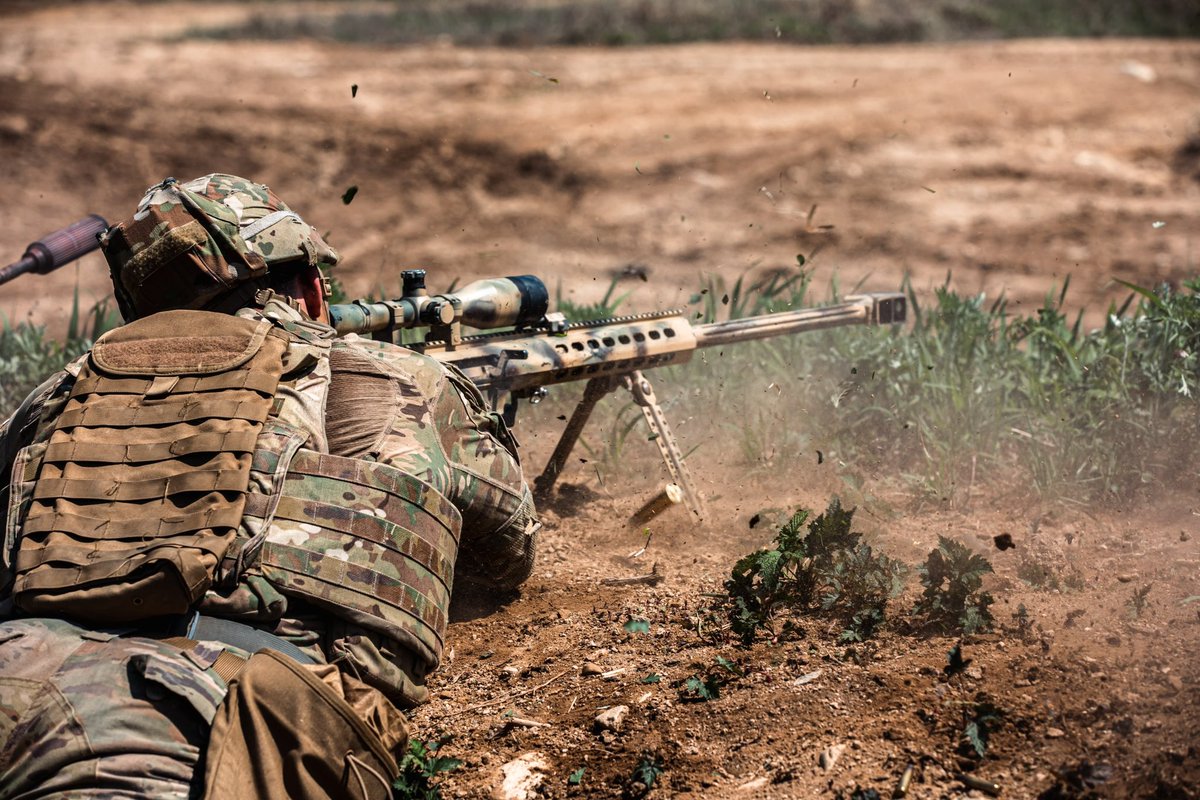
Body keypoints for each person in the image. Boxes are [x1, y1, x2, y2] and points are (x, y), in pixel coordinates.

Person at [0, 174, 540, 799]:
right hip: (196, 712)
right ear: (312, 288)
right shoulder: (385, 377)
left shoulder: (55, 397)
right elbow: (507, 552)